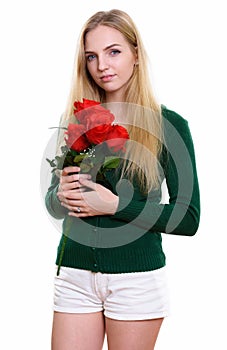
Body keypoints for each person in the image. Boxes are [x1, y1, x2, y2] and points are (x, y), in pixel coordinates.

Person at [45, 9, 200, 350]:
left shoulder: (168, 125)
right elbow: (54, 203)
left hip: (136, 281)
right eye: (92, 56)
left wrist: (116, 204)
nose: (102, 65)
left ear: (136, 55)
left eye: (113, 51)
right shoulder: (77, 120)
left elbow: (188, 218)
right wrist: (61, 195)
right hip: (74, 274)